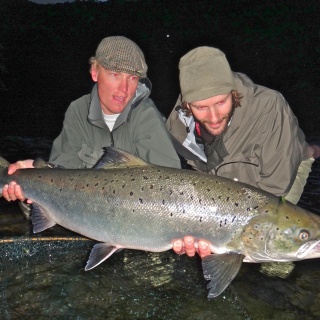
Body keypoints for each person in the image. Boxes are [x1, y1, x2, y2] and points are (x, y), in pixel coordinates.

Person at [167, 46, 316, 258]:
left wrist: (235, 237)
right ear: (187, 105)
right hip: (227, 178)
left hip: (283, 172)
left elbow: (274, 190)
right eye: (201, 107)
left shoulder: (270, 107)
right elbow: (201, 182)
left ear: (232, 92)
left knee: (266, 248)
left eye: (221, 102)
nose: (214, 116)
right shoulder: (178, 129)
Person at [2, 36, 181, 203]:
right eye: (115, 74)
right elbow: (62, 169)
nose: (124, 88)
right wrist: (33, 167)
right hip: (85, 209)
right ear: (95, 72)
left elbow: (172, 186)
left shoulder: (147, 117)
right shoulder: (78, 110)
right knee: (31, 201)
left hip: (131, 219)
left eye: (133, 78)